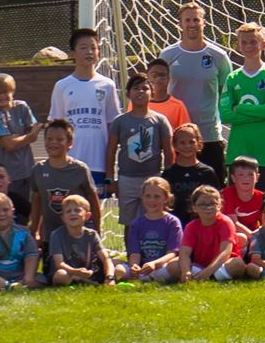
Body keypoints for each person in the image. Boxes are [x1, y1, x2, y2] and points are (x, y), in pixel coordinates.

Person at [161, 2, 233, 182]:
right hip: (177, 137)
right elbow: (158, 91)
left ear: (204, 23)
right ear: (180, 24)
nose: (192, 24)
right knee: (177, 193)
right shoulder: (167, 55)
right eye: (187, 20)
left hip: (209, 134)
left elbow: (227, 93)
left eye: (196, 19)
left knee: (215, 190)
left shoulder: (218, 56)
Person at [49, 27, 121, 194]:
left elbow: (113, 125)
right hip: (70, 160)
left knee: (96, 210)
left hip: (98, 161)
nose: (89, 52)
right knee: (71, 207)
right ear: (73, 53)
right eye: (83, 48)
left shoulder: (107, 85)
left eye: (93, 47)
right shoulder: (62, 86)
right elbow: (55, 125)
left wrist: (111, 166)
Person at [220, 22, 265, 190]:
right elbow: (225, 115)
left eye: (253, 42)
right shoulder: (232, 78)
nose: (249, 46)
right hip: (237, 153)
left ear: (263, 44)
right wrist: (260, 113)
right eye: (244, 42)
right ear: (238, 46)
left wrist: (240, 108)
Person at [107, 73, 173, 227]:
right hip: (126, 179)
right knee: (130, 224)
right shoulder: (120, 121)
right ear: (128, 93)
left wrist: (167, 177)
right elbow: (110, 151)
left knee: (155, 219)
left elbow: (169, 151)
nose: (141, 92)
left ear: (152, 93)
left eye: (145, 88)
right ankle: (132, 252)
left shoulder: (160, 120)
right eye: (136, 88)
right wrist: (110, 179)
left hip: (153, 178)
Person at [28, 119, 101, 244]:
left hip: (78, 235)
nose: (53, 143)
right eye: (49, 139)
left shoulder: (80, 169)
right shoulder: (38, 170)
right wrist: (34, 230)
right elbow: (36, 202)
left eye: (59, 139)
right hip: (51, 236)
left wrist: (98, 229)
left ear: (70, 143)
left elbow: (93, 201)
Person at [0, 70, 41, 203]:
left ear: (12, 91)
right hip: (9, 174)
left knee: (30, 207)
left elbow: (35, 131)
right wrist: (27, 137)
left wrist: (17, 138)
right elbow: (9, 146)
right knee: (11, 207)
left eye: (5, 92)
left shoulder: (22, 106)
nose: (1, 96)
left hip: (28, 168)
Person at [179, 185, 248, 282]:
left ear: (219, 206)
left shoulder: (225, 222)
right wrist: (185, 271)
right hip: (200, 265)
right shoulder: (191, 226)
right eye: (202, 204)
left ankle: (209, 277)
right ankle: (203, 277)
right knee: (174, 264)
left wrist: (207, 272)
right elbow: (185, 252)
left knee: (238, 264)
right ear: (194, 208)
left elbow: (225, 252)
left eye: (212, 203)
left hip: (223, 264)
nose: (208, 207)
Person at [124, 176, 184, 283]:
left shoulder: (172, 222)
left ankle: (147, 278)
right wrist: (134, 266)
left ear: (166, 198)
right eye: (148, 196)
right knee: (117, 266)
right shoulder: (136, 223)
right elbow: (134, 253)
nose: (152, 200)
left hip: (163, 266)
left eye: (157, 196)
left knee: (177, 264)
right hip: (144, 267)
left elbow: (172, 253)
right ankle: (140, 276)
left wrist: (155, 264)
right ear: (142, 197)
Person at [47, 194, 115, 286]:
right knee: (61, 275)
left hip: (88, 272)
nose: (72, 213)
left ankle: (85, 280)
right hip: (67, 272)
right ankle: (80, 280)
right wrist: (75, 272)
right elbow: (59, 263)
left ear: (87, 216)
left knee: (119, 268)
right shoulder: (57, 235)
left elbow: (106, 258)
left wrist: (110, 277)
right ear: (63, 217)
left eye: (77, 210)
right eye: (68, 211)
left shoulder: (92, 234)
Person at [163, 123, 220, 221]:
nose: (187, 146)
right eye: (182, 143)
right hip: (176, 225)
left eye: (191, 142)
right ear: (175, 145)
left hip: (202, 224)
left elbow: (216, 201)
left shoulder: (207, 172)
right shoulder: (168, 174)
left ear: (199, 144)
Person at [220, 156, 265, 236]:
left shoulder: (263, 197)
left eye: (250, 174)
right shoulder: (226, 194)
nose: (246, 178)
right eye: (241, 175)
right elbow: (233, 223)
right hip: (231, 235)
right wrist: (254, 238)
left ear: (257, 177)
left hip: (254, 236)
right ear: (233, 178)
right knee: (241, 237)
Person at [144, 57, 191, 132]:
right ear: (147, 78)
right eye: (154, 75)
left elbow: (185, 134)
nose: (158, 78)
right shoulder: (137, 103)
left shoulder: (178, 106)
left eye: (162, 75)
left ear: (168, 79)